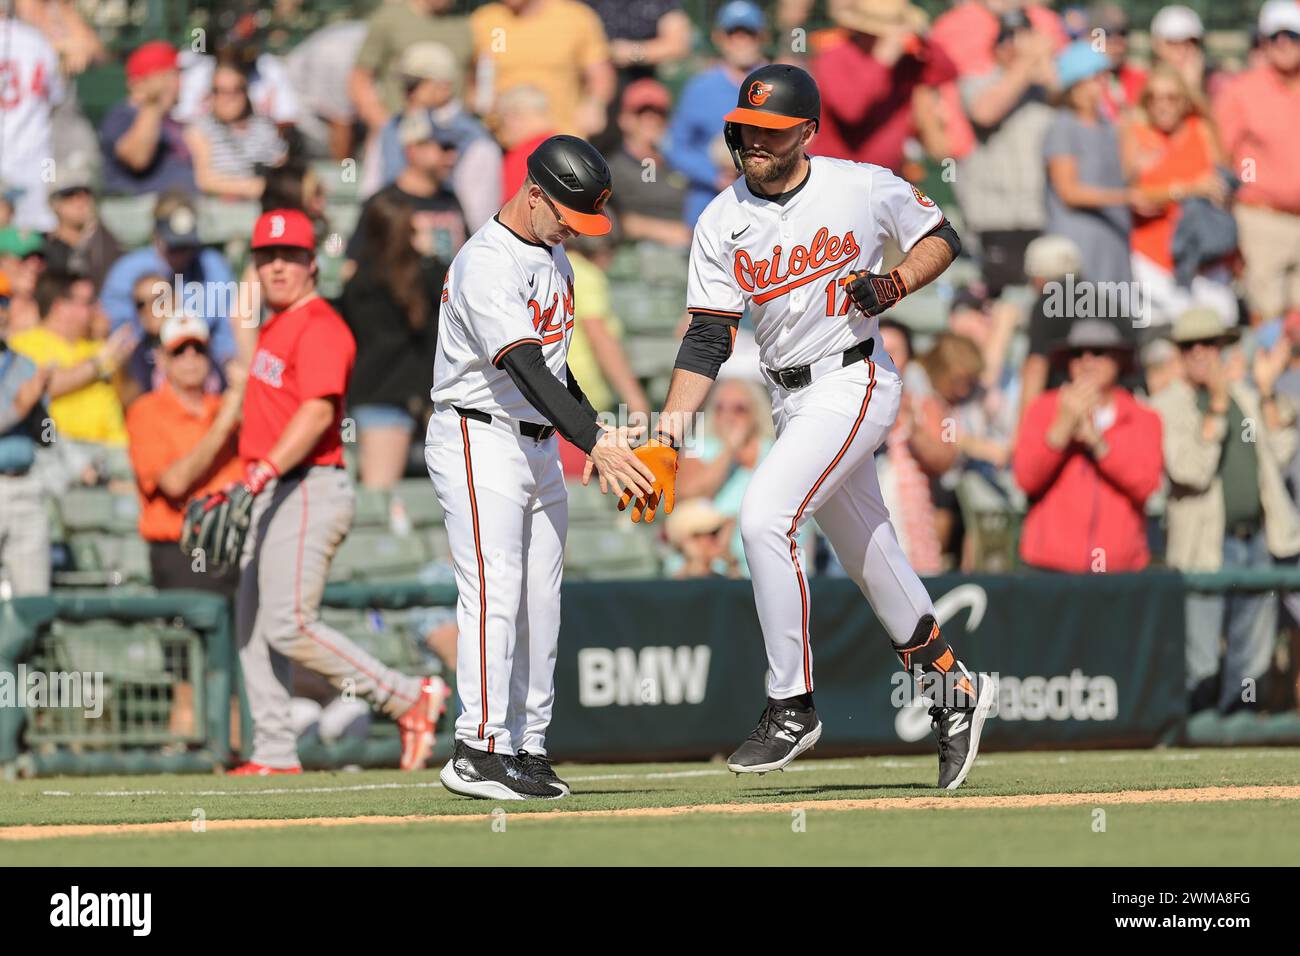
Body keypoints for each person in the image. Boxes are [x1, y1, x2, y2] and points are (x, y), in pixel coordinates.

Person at [629, 65, 993, 789]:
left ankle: (791, 704)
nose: (753, 142)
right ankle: (955, 695)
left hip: (855, 376)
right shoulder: (721, 217)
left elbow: (940, 233)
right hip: (790, 398)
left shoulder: (858, 184)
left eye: (770, 132)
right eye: (744, 129)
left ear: (806, 132)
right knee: (870, 557)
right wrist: (669, 434)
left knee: (764, 516)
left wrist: (892, 284)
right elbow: (707, 337)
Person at [427, 135, 654, 800]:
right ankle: (476, 748)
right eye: (567, 214)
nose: (574, 230)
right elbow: (522, 366)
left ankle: (527, 746)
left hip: (537, 441)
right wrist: (592, 442)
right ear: (533, 193)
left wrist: (597, 432)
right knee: (495, 589)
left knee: (540, 599)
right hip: (479, 433)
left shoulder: (556, 257)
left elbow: (555, 372)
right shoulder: (486, 263)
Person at [229, 208, 447, 776]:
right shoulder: (274, 326)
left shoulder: (321, 323)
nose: (277, 266)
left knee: (288, 624)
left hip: (307, 484)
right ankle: (274, 750)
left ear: (312, 263)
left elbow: (317, 411)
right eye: (266, 257)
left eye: (289, 256)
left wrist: (262, 470)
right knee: (251, 626)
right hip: (273, 486)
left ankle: (405, 696)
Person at [1151, 307, 1300, 713]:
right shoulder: (1168, 404)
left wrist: (1268, 391)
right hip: (1204, 544)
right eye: (1190, 345)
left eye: (1209, 343)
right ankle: (1197, 738)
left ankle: (1238, 742)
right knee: (1200, 656)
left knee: (1252, 656)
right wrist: (1216, 407)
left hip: (1255, 540)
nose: (1200, 352)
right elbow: (1191, 471)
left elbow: (1283, 449)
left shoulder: (1245, 395)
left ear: (1221, 347)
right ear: (1179, 353)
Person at [1012, 319, 1162, 572]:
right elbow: (1026, 478)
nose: (1086, 360)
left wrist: (1099, 444)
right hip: (1049, 568)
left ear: (1118, 360)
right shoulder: (1042, 409)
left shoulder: (1143, 417)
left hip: (1118, 570)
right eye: (1077, 353)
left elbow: (1146, 484)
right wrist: (1061, 428)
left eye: (1098, 352)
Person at [125, 313, 245, 592]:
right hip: (183, 550)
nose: (190, 359)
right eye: (179, 351)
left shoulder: (226, 406)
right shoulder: (146, 412)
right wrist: (224, 424)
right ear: (164, 360)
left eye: (199, 350)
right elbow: (175, 482)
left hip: (235, 543)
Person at [338, 191, 445, 490]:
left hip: (380, 396)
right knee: (379, 498)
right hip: (389, 399)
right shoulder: (420, 275)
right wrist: (431, 255)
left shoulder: (360, 279)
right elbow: (453, 294)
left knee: (383, 493)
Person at [1121, 65, 1235, 330]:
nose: (1163, 106)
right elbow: (1134, 196)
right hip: (1153, 259)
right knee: (1163, 336)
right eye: (1154, 98)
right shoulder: (1137, 134)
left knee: (1216, 328)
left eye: (1172, 97)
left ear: (1185, 101)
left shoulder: (1202, 130)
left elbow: (1224, 182)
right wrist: (1187, 189)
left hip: (1203, 256)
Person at [955, 9, 1056, 297]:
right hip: (995, 222)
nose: (1014, 46)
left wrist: (1045, 61)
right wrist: (1027, 59)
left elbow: (1069, 97)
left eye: (1023, 37)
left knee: (1042, 306)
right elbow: (985, 112)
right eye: (1008, 38)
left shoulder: (1042, 86)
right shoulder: (978, 81)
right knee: (1000, 304)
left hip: (1040, 217)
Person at [1213, 0, 1300, 325]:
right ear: (1263, 41)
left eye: (1292, 35)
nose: (1283, 44)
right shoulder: (1242, 91)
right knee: (1268, 322)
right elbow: (1221, 155)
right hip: (1262, 219)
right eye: (1275, 36)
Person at [1043, 41, 1151, 292]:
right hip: (1078, 246)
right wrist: (1126, 198)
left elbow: (1127, 172)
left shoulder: (1108, 127)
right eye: (1098, 77)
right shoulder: (1063, 127)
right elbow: (1069, 192)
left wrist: (1126, 121)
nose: (1105, 83)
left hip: (1112, 244)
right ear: (1077, 84)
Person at [810, 0, 957, 174]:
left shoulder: (904, 63)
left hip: (887, 177)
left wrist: (924, 39)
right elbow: (852, 111)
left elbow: (946, 71)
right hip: (839, 175)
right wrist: (881, 62)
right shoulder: (834, 57)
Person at [100, 192, 239, 373]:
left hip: (202, 368)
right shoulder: (127, 272)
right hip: (145, 369)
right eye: (173, 247)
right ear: (155, 237)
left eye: (186, 246)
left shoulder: (212, 266)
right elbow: (117, 337)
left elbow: (226, 337)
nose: (181, 255)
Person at [7, 270, 134, 456]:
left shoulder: (98, 347)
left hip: (115, 450)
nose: (97, 308)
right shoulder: (23, 344)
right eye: (88, 302)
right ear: (60, 306)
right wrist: (97, 365)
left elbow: (129, 400)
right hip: (63, 454)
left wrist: (122, 363)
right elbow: (37, 389)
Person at [377, 42, 501, 231]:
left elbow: (478, 219)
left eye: (413, 85)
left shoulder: (475, 140)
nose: (406, 93)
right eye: (405, 86)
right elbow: (373, 193)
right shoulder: (391, 129)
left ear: (444, 87)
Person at [666, 1, 768, 227]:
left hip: (766, 203)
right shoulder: (700, 88)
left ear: (762, 37)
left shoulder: (775, 85)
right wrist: (713, 176)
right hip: (710, 203)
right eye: (733, 34)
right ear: (719, 37)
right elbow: (676, 147)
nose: (741, 42)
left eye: (749, 34)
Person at [676, 378, 776, 577]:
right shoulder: (698, 446)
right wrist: (729, 450)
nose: (728, 416)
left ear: (756, 412)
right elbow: (685, 493)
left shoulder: (774, 450)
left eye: (739, 409)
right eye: (720, 408)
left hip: (766, 563)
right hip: (712, 570)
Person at [470, 0, 614, 137]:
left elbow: (600, 75)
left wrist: (595, 104)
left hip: (559, 138)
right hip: (502, 138)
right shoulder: (485, 19)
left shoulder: (575, 17)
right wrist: (476, 99)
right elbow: (473, 78)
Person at [345, 110, 467, 272]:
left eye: (453, 148)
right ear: (413, 150)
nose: (452, 156)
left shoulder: (451, 200)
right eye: (444, 148)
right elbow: (352, 268)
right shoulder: (383, 204)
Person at [184, 52, 288, 200]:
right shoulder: (199, 129)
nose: (229, 98)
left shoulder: (264, 126)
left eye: (236, 89)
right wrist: (258, 187)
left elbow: (283, 167)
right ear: (212, 94)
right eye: (221, 91)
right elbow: (205, 180)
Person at [98, 41, 195, 196]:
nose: (179, 82)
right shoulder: (124, 115)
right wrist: (153, 101)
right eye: (173, 74)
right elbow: (137, 159)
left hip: (190, 209)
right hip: (145, 212)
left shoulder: (171, 119)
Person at [0, 316, 53, 596]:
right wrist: (19, 409)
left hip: (24, 486)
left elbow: (48, 437)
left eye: (3, 305)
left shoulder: (25, 365)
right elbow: (19, 408)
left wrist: (39, 410)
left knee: (33, 598)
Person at [0, 11, 65, 231]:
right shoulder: (37, 41)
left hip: (36, 160)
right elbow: (57, 99)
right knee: (34, 234)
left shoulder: (36, 40)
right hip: (37, 159)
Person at [606, 79, 690, 247]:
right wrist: (663, 231)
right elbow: (610, 218)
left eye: (658, 113)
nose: (651, 120)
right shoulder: (612, 168)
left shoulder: (677, 164)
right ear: (624, 119)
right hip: (632, 253)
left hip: (681, 251)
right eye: (641, 113)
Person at [42, 164, 123, 294]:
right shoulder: (42, 247)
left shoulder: (107, 242)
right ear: (54, 203)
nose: (81, 200)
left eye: (86, 193)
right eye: (70, 194)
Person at [665, 498, 739, 579]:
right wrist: (697, 561)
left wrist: (732, 565)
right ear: (690, 539)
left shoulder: (725, 579)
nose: (720, 538)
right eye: (713, 532)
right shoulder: (673, 587)